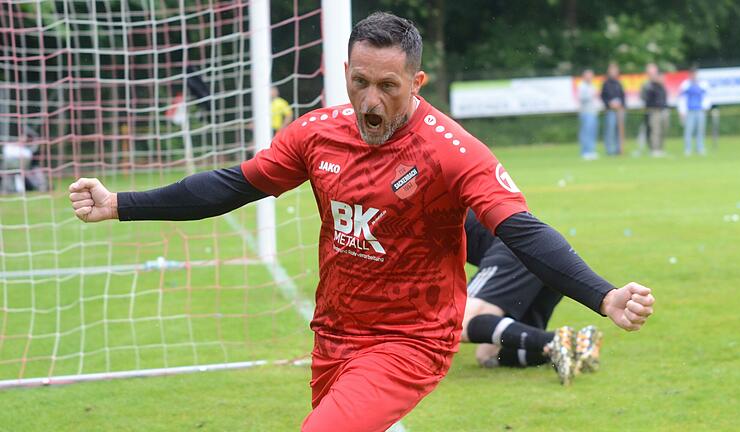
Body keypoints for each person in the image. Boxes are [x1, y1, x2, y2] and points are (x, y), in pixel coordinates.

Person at [69, 12, 655, 432]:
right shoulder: (315, 132)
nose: (371, 101)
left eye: (388, 87)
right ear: (346, 70)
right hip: (335, 333)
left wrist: (602, 295)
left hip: (410, 339)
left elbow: (520, 228)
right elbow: (233, 186)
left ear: (416, 83)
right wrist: (122, 203)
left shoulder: (451, 151)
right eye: (360, 82)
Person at [461, 210, 601, 385]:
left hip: (516, 249)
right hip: (548, 256)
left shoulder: (426, 210)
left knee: (461, 321)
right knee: (488, 354)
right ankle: (575, 346)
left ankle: (556, 341)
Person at [677, 67, 711, 156]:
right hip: (689, 111)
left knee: (700, 130)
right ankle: (687, 149)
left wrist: (705, 107)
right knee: (688, 130)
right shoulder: (685, 85)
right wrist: (682, 111)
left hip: (700, 110)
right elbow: (682, 99)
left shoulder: (703, 84)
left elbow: (707, 97)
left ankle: (700, 148)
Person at [641, 63, 668, 157]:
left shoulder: (661, 83)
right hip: (653, 110)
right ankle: (654, 149)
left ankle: (660, 148)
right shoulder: (647, 85)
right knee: (654, 130)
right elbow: (644, 97)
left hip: (663, 109)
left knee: (663, 130)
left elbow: (664, 95)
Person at [600, 62, 625, 156]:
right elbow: (603, 96)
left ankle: (619, 149)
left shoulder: (619, 83)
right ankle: (610, 150)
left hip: (620, 110)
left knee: (619, 130)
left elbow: (623, 96)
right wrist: (609, 104)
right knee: (610, 130)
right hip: (610, 110)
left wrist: (622, 105)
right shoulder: (606, 83)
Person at [577, 69, 599, 160]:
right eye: (588, 75)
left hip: (593, 112)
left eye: (591, 75)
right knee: (586, 133)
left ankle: (591, 151)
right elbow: (582, 98)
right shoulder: (582, 86)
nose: (590, 77)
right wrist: (591, 95)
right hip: (586, 112)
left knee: (592, 132)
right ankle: (585, 152)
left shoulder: (592, 85)